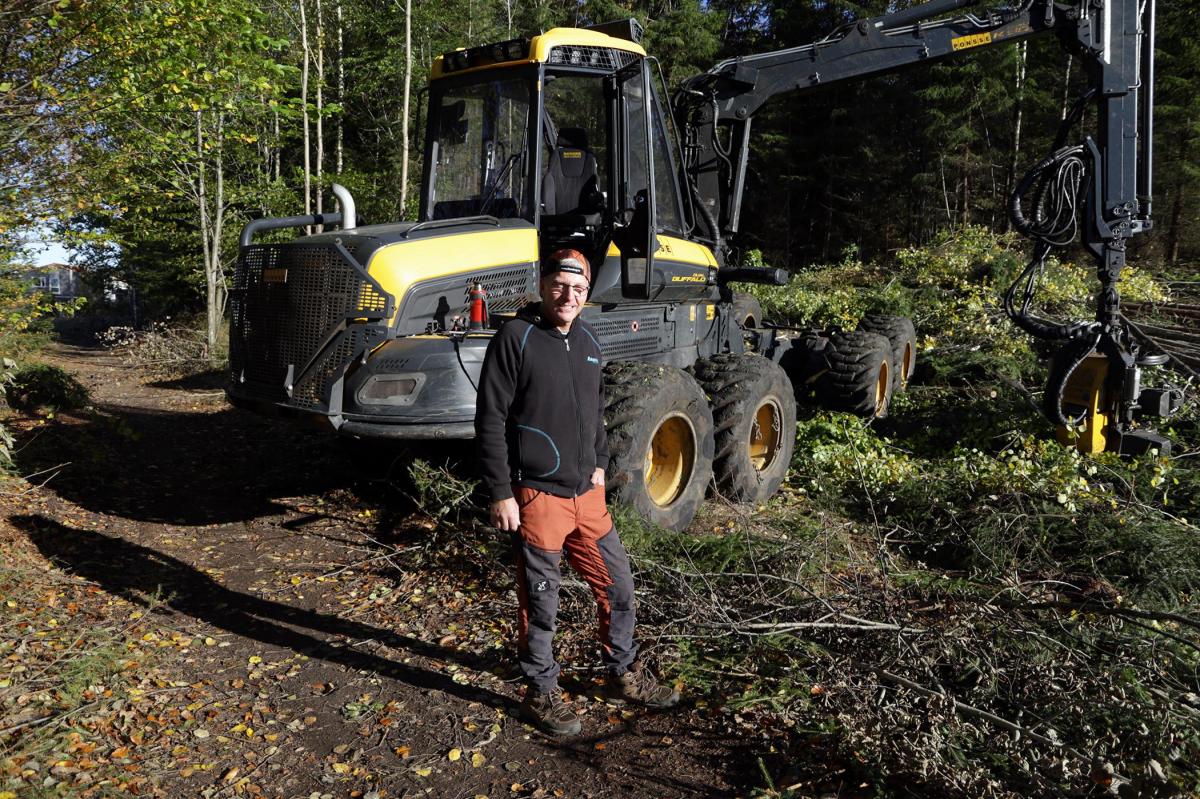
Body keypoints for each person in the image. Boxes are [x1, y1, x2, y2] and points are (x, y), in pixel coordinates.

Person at [474, 248, 680, 737]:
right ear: (544, 285)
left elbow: (595, 414)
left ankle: (622, 673)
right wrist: (501, 491)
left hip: (586, 495)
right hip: (537, 495)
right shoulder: (516, 337)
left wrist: (602, 466)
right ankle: (540, 692)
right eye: (561, 286)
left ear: (587, 294)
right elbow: (490, 420)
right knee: (541, 598)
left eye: (579, 289)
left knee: (618, 585)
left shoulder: (587, 339)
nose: (569, 296)